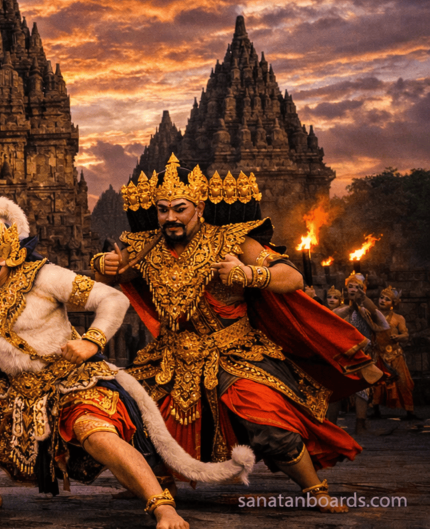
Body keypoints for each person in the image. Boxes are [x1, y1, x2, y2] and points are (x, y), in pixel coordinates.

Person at [0, 197, 259, 528]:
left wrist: (91, 341)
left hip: (74, 381)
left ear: (6, 254)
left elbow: (111, 299)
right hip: (14, 390)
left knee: (96, 436)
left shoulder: (44, 277)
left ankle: (161, 505)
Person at [97, 155, 384, 513]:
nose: (170, 217)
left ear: (200, 207)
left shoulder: (231, 240)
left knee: (267, 420)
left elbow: (292, 277)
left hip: (233, 351)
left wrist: (250, 275)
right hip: (170, 356)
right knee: (127, 412)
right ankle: (156, 483)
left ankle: (315, 490)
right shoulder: (148, 246)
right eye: (163, 210)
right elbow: (113, 275)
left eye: (179, 209)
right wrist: (105, 266)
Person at [331, 273, 391, 435]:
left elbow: (382, 324)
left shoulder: (367, 311)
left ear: (363, 290)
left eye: (357, 287)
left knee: (362, 390)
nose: (353, 289)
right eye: (350, 287)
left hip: (362, 354)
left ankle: (360, 424)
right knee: (336, 389)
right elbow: (332, 322)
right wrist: (351, 308)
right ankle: (331, 426)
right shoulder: (340, 310)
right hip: (343, 353)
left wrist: (364, 301)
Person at [371, 287, 416, 420]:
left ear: (393, 303)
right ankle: (376, 410)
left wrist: (398, 337)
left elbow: (406, 335)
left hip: (395, 355)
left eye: (387, 299)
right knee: (377, 383)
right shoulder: (373, 316)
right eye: (381, 298)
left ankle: (410, 412)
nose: (383, 300)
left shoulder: (398, 318)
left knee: (403, 382)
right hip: (379, 354)